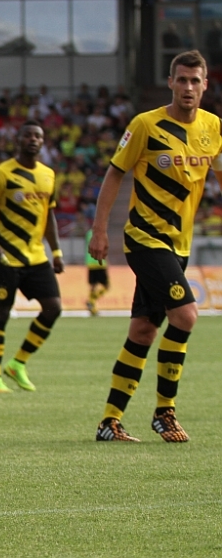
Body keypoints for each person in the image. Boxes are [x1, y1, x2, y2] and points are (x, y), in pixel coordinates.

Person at [89, 50, 222, 442]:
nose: (188, 87)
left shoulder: (213, 127)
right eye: (181, 79)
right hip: (146, 238)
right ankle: (165, 412)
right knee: (186, 316)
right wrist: (99, 230)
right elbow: (115, 174)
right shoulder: (146, 125)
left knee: (144, 329)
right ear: (170, 83)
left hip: (180, 245)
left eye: (195, 81)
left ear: (205, 85)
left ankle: (109, 422)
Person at [0, 120, 64, 394]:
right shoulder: (1, 173)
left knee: (53, 308)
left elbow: (49, 216)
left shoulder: (48, 175)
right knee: (2, 312)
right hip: (6, 258)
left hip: (36, 257)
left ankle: (18, 363)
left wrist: (56, 251)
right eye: (28, 135)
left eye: (38, 136)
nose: (33, 139)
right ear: (18, 140)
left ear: (43, 142)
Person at [84, 228, 108, 316]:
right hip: (100, 263)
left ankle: (92, 305)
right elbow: (104, 248)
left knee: (93, 286)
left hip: (90, 262)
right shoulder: (102, 233)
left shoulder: (88, 234)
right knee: (106, 286)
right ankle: (91, 301)